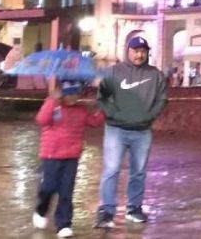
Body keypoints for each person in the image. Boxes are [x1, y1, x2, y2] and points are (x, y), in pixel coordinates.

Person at [95, 37, 168, 228]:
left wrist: (150, 116)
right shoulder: (114, 72)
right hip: (115, 130)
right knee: (111, 171)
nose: (139, 54)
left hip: (142, 132)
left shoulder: (156, 75)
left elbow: (162, 99)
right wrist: (113, 113)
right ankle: (106, 211)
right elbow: (101, 98)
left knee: (138, 172)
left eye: (143, 50)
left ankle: (134, 208)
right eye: (135, 50)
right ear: (128, 51)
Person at [33, 78, 104, 237]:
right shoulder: (53, 104)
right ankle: (41, 209)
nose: (72, 98)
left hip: (71, 157)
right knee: (47, 188)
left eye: (76, 94)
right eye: (68, 94)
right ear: (62, 93)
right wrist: (52, 100)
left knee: (67, 191)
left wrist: (104, 107)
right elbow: (41, 120)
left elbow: (94, 121)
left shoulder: (81, 110)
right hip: (50, 156)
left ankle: (63, 224)